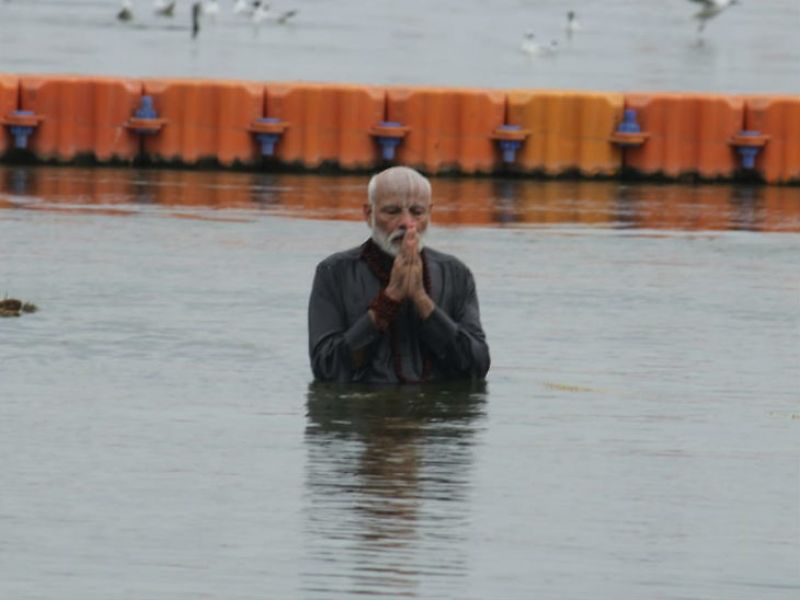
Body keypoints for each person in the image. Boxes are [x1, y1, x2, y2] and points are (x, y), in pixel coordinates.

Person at [307, 166, 490, 384]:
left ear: (429, 214)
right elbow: (326, 368)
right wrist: (389, 299)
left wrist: (422, 301)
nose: (406, 223)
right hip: (366, 412)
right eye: (392, 212)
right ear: (368, 214)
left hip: (434, 414)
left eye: (417, 212)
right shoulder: (334, 272)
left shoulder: (456, 273)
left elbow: (477, 367)